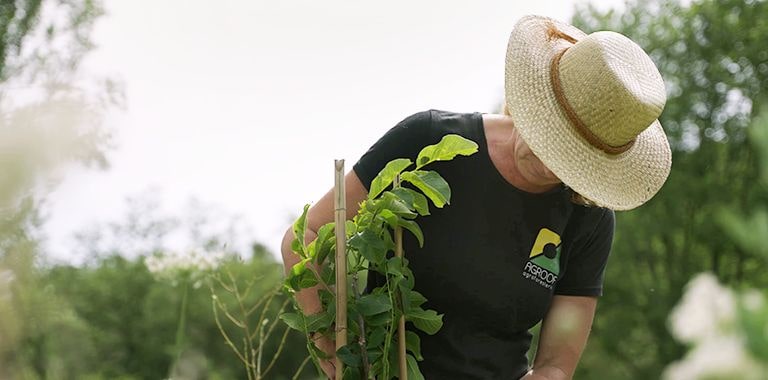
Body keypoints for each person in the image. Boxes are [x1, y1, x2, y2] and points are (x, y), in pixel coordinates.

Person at [281, 15, 671, 380]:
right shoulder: (428, 142)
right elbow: (307, 236)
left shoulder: (588, 217)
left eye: (574, 160)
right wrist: (333, 346)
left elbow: (555, 365)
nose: (554, 167)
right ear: (534, 104)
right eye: (550, 139)